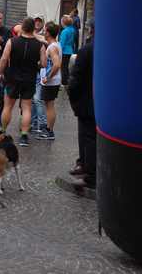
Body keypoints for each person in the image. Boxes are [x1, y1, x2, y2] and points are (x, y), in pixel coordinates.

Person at [0, 17, 47, 147]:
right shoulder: (40, 45)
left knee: (8, 106)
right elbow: (43, 63)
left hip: (13, 77)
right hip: (29, 78)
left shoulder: (12, 41)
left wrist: (1, 72)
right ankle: (24, 136)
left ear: (23, 28)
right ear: (33, 28)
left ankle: (3, 131)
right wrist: (35, 64)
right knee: (26, 108)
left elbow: (4, 59)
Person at [68, 19, 96, 188]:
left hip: (87, 102)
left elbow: (76, 79)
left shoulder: (86, 50)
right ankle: (84, 164)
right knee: (88, 136)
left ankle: (90, 174)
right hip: (96, 102)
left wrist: (74, 98)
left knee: (88, 137)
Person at [36, 22, 62, 140]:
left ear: (48, 33)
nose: (43, 32)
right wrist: (32, 33)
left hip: (51, 81)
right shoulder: (55, 44)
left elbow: (56, 65)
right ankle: (48, 129)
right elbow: (41, 38)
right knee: (48, 105)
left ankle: (50, 131)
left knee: (49, 106)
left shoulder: (52, 48)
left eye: (45, 30)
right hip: (52, 81)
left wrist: (48, 77)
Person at [31, 13, 48, 133]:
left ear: (42, 23)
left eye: (39, 21)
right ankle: (32, 122)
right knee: (30, 100)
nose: (37, 23)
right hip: (29, 71)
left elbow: (47, 42)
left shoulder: (44, 35)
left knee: (38, 99)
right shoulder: (29, 32)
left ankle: (42, 124)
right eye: (36, 21)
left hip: (40, 71)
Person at [59, 15, 76, 85]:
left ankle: (64, 81)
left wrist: (59, 50)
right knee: (66, 66)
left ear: (63, 23)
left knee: (63, 67)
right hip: (70, 50)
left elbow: (62, 43)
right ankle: (66, 80)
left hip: (64, 51)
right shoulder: (72, 30)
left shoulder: (64, 31)